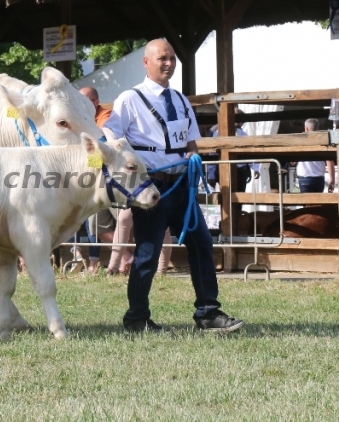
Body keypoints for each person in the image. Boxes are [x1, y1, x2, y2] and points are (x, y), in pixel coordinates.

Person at [104, 39, 244, 333]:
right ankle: (137, 318)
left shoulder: (181, 100)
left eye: (172, 58)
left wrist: (193, 156)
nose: (168, 63)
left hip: (182, 185)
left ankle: (208, 314)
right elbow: (113, 138)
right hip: (151, 187)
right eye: (162, 58)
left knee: (202, 244)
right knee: (148, 253)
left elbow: (191, 140)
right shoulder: (129, 99)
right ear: (146, 62)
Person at [295, 119, 336, 193]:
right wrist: (332, 180)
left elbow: (293, 162)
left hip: (304, 177)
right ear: (317, 128)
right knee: (318, 202)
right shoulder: (323, 141)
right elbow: (329, 162)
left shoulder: (300, 141)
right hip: (319, 178)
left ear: (306, 128)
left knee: (306, 202)